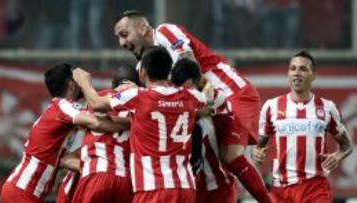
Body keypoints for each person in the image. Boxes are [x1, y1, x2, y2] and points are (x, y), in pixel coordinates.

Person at [113, 10, 271, 203]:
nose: (122, 43)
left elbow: (189, 64)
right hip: (207, 102)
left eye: (124, 34)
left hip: (231, 93)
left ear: (143, 28)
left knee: (230, 156)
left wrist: (181, 100)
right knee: (208, 158)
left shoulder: (164, 32)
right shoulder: (143, 68)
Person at [72, 47, 207, 203]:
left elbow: (95, 103)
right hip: (185, 188)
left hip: (152, 188)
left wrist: (85, 83)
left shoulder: (138, 97)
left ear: (143, 72)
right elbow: (210, 97)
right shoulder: (189, 96)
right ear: (168, 72)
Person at [0, 63, 124, 203]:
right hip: (22, 191)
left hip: (23, 190)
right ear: (72, 84)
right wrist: (133, 123)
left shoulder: (58, 111)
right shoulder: (63, 106)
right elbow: (96, 123)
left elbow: (64, 159)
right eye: (77, 79)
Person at [252, 51, 353, 202]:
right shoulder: (271, 106)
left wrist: (338, 156)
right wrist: (256, 152)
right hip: (281, 190)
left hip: (315, 188)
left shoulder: (327, 107)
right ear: (288, 74)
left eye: (303, 69)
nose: (296, 73)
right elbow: (258, 147)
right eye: (293, 68)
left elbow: (347, 145)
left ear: (313, 75)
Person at [69, 65, 139, 203]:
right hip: (126, 181)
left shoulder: (100, 97)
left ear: (113, 84)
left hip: (96, 176)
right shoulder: (142, 103)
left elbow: (84, 119)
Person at [171, 59, 238, 203]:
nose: (185, 96)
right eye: (180, 90)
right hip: (189, 189)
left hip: (219, 189)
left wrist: (207, 84)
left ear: (198, 83)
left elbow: (205, 104)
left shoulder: (216, 97)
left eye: (189, 90)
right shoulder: (172, 104)